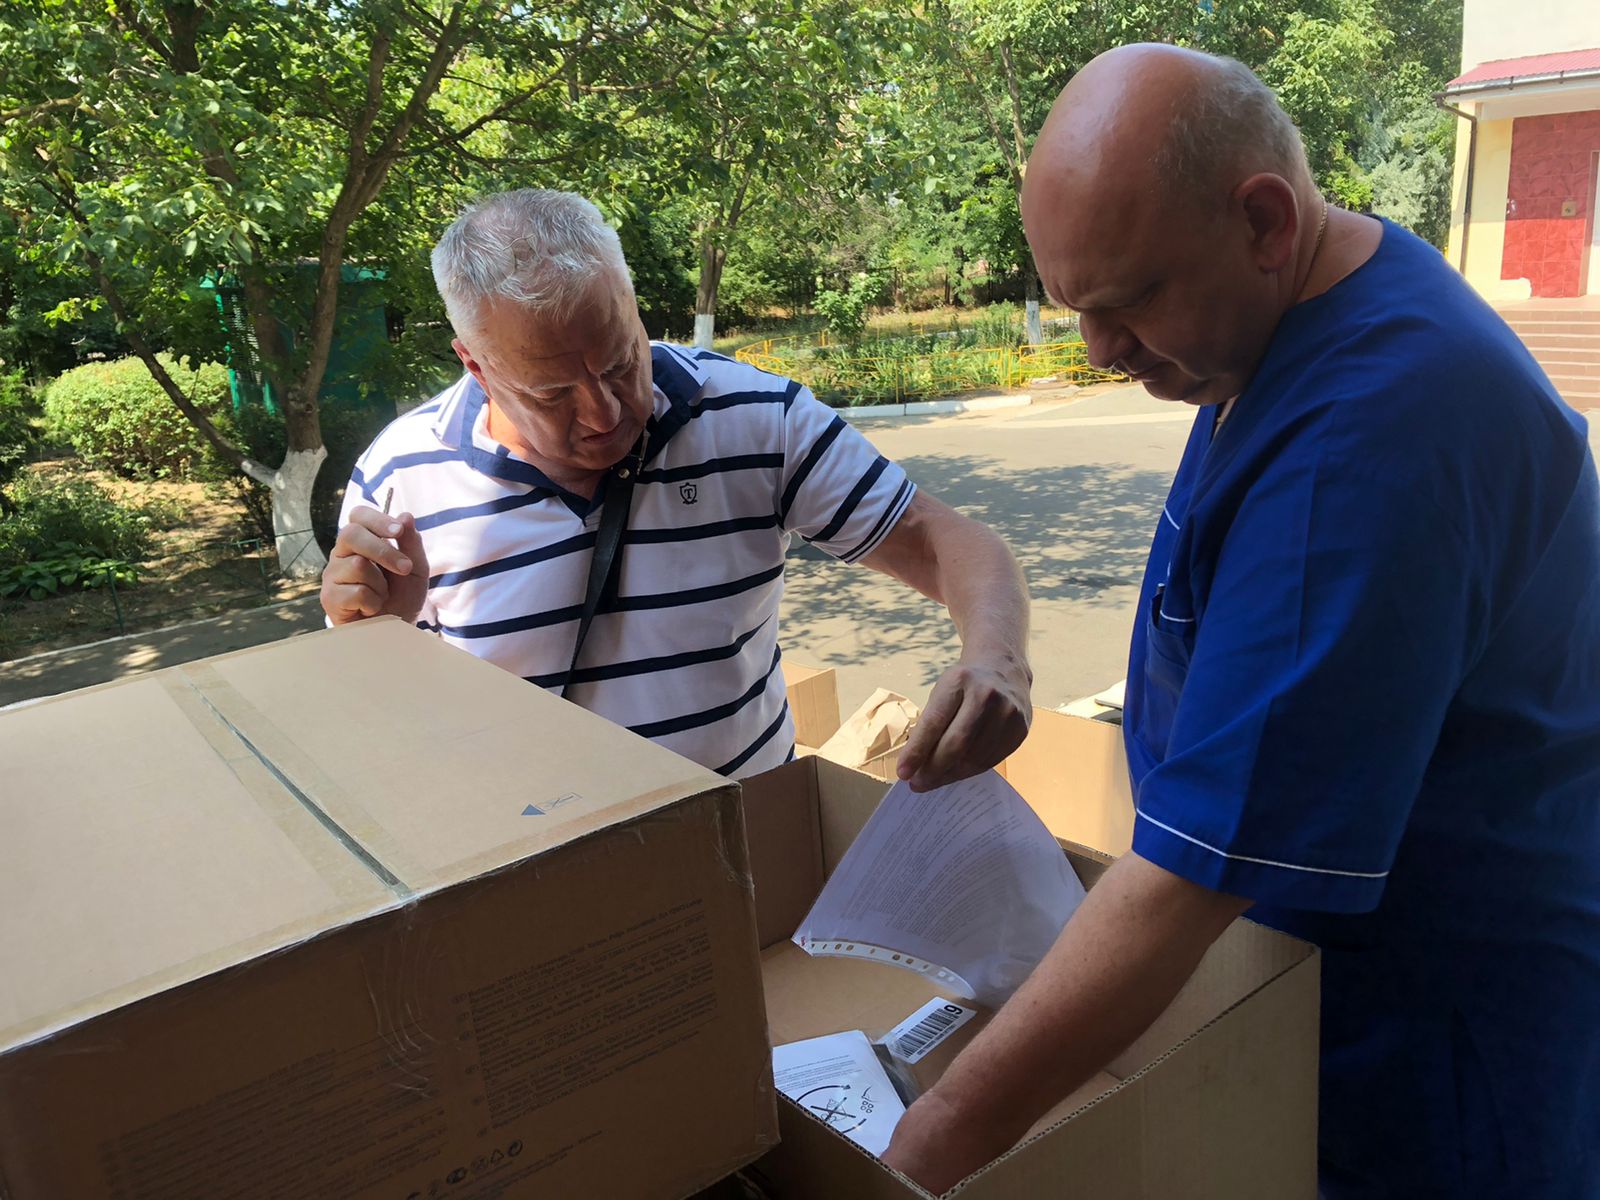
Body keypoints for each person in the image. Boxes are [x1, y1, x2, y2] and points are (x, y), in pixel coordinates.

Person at [883, 44, 1600, 1199]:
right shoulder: (1285, 318)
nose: (1098, 351)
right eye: (1076, 309)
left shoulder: (1369, 438)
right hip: (1317, 992)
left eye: (1126, 301)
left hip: (1430, 1046)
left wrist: (925, 1148)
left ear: (1265, 220)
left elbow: (1193, 879)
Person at [320, 188, 1032, 787]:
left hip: (752, 842)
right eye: (553, 393)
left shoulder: (756, 418)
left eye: (620, 361)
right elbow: (378, 726)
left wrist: (998, 661)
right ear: (475, 365)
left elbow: (941, 542)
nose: (604, 413)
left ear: (633, 305)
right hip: (535, 874)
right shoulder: (402, 476)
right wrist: (377, 639)